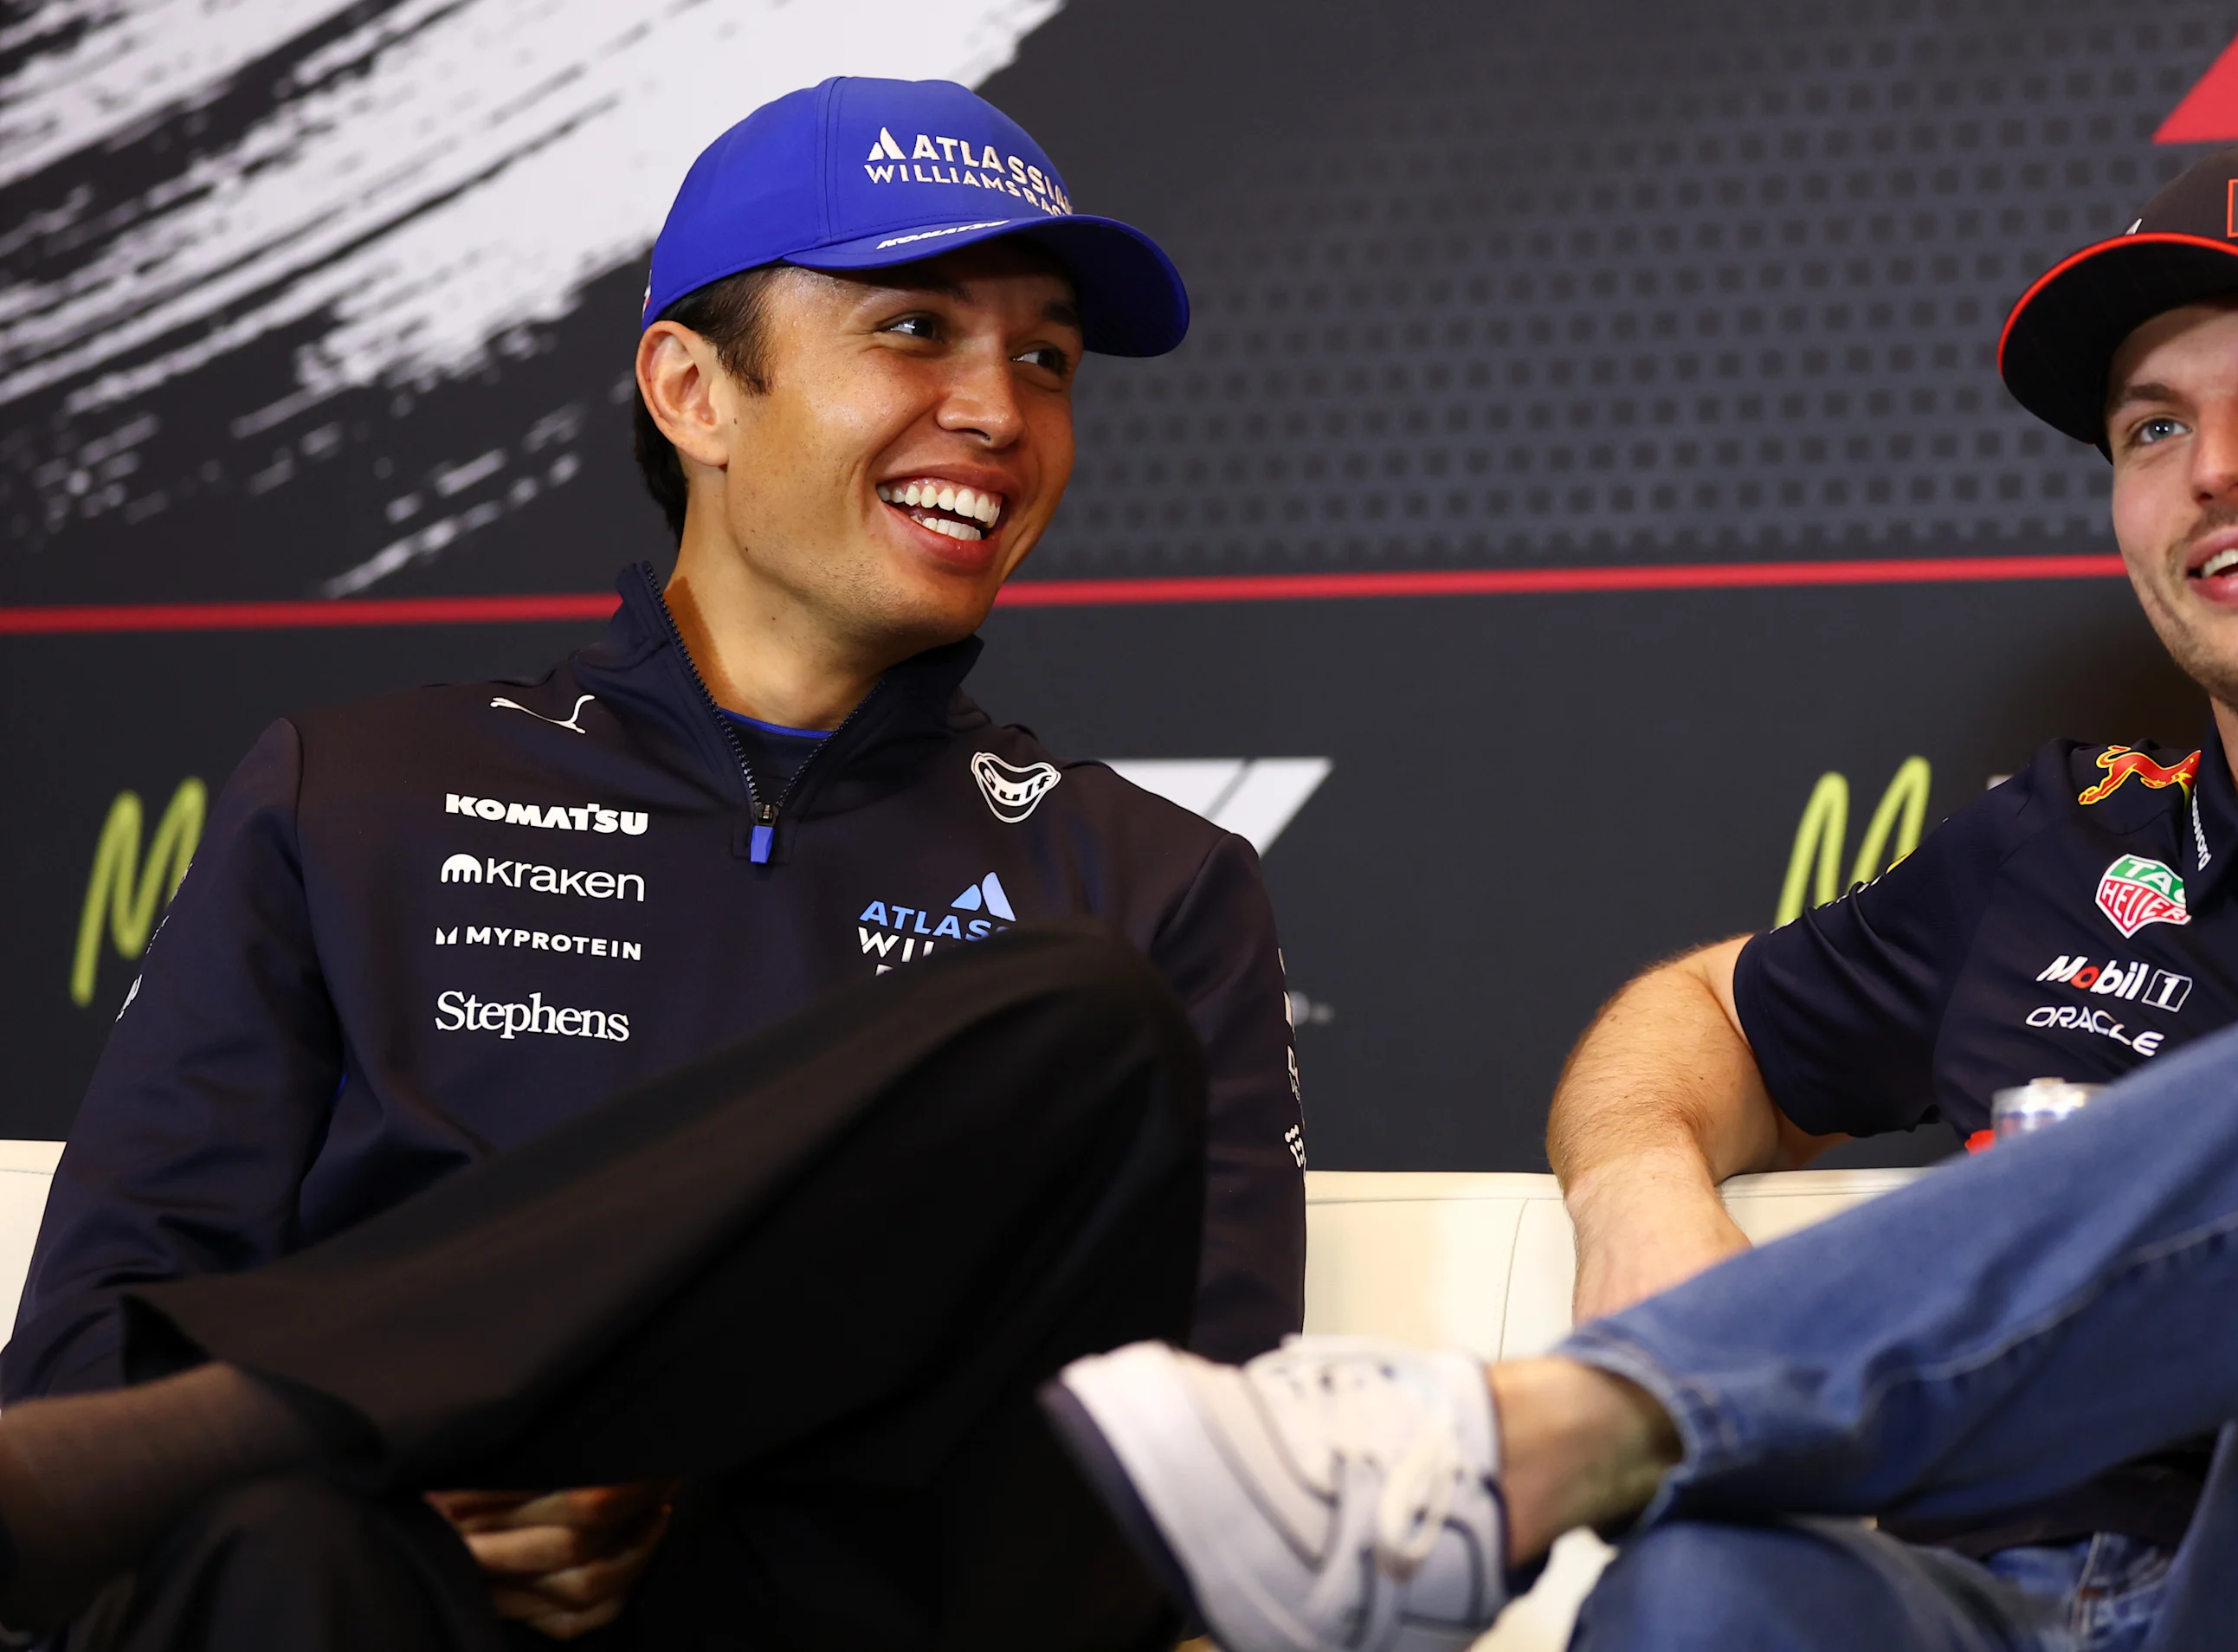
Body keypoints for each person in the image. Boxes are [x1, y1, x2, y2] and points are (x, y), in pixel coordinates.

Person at [1036, 149, 2238, 1650]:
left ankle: (1554, 1429)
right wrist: (1639, 1211)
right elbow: (1685, 1024)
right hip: (1978, 1612)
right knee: (1703, 1598)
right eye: (2151, 426)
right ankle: (1638, 1401)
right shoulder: (2051, 841)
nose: (2223, 471)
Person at [3, 76, 1302, 1649]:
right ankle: (342, 1450)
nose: (1000, 412)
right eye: (914, 329)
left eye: (1046, 357)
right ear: (693, 392)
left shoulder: (1154, 886)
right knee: (276, 1540)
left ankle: (333, 1413)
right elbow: (78, 1402)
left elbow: (1202, 1494)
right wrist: (426, 1497)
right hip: (393, 1609)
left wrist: (612, 1449)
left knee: (1076, 1022)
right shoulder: (351, 793)